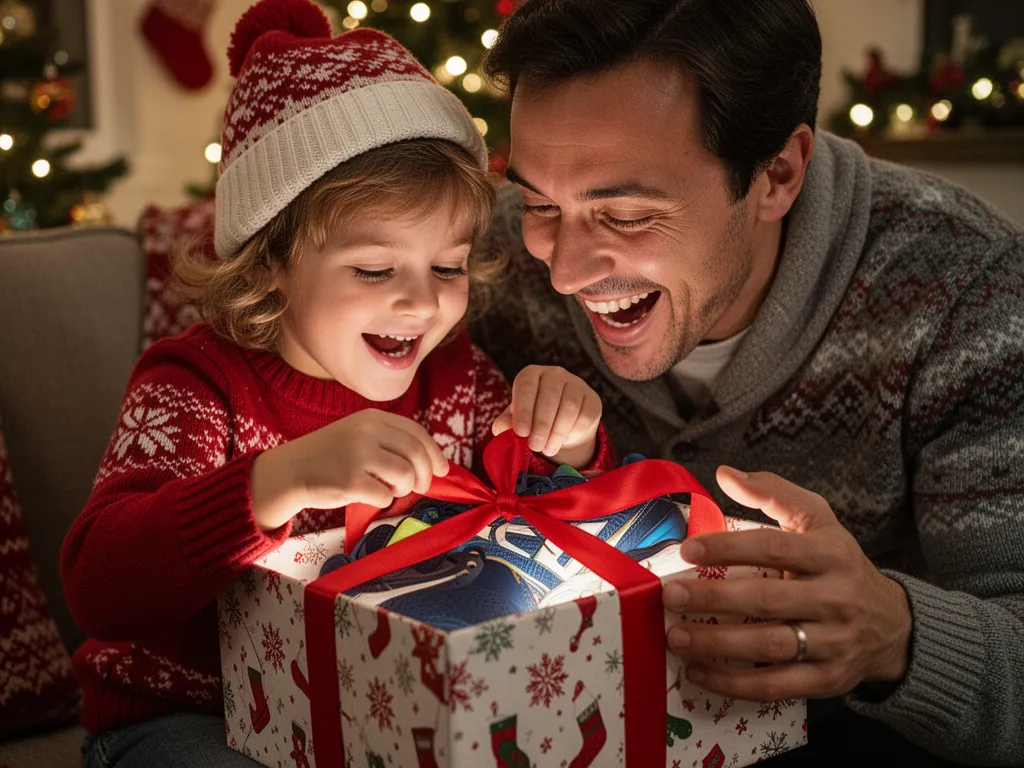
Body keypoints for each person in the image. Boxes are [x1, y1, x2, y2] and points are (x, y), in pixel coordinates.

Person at [470, 0, 1024, 765]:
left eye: (624, 215)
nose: (563, 271)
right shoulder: (487, 265)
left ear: (778, 175)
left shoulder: (968, 290)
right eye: (537, 202)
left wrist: (896, 635)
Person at [60, 2, 611, 765]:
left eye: (447, 266)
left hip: (368, 708)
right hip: (185, 716)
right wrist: (276, 481)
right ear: (271, 262)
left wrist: (570, 443)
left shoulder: (454, 378)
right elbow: (99, 585)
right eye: (375, 270)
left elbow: (545, 527)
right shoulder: (196, 386)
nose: (421, 303)